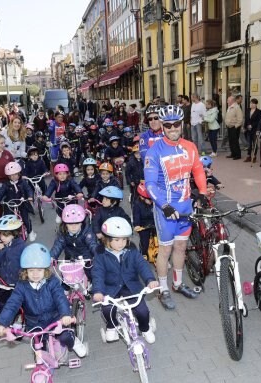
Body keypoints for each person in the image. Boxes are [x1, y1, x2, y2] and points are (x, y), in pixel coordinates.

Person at [144, 105, 207, 310]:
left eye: (176, 124)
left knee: (181, 247)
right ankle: (163, 289)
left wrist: (203, 194)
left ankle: (178, 284)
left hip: (186, 207)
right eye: (168, 125)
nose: (172, 128)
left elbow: (198, 171)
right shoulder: (154, 151)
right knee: (165, 250)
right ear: (162, 126)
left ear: (182, 125)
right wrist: (164, 206)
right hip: (166, 210)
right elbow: (150, 185)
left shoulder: (190, 146)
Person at [0, 244, 87, 358]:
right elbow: (12, 305)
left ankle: (74, 342)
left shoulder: (52, 282)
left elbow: (60, 298)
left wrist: (65, 315)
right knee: (38, 350)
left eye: (39, 270)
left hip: (55, 318)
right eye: (31, 270)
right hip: (34, 324)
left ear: (45, 269)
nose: (35, 274)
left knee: (65, 336)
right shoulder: (21, 287)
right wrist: (2, 324)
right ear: (25, 271)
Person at [91, 217, 159, 343]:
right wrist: (98, 291)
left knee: (143, 311)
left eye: (124, 239)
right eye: (116, 240)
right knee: (107, 309)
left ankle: (145, 328)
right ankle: (112, 327)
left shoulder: (131, 250)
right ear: (107, 239)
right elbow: (98, 273)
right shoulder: (100, 254)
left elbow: (142, 265)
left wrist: (150, 280)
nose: (121, 243)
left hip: (131, 287)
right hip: (110, 287)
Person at [0, 215, 26, 327]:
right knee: (3, 301)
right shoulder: (0, 245)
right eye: (1, 234)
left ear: (14, 234)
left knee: (18, 302)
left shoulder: (21, 246)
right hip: (3, 281)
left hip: (17, 281)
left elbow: (25, 262)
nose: (3, 237)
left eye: (6, 235)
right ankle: (0, 317)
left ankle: (19, 319)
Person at [50, 205, 100, 280]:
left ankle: (91, 287)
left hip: (86, 258)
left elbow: (92, 244)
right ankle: (66, 289)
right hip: (70, 258)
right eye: (70, 224)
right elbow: (58, 245)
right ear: (65, 224)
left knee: (92, 275)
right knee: (66, 278)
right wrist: (52, 256)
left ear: (81, 223)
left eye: (77, 223)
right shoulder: (63, 232)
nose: (73, 227)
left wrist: (98, 255)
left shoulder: (87, 232)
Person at [0, 162, 36, 242]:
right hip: (10, 205)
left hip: (22, 203)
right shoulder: (6, 184)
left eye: (15, 174)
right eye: (11, 175)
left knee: (26, 218)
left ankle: (30, 232)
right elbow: (0, 192)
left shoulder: (22, 182)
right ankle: (9, 234)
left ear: (19, 174)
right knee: (9, 220)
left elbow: (28, 189)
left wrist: (30, 197)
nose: (13, 177)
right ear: (8, 176)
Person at [133, 182, 156, 260]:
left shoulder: (154, 202)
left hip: (155, 223)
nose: (151, 201)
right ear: (142, 197)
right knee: (144, 241)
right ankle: (144, 253)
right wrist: (137, 225)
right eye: (149, 199)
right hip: (144, 225)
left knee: (162, 241)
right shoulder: (137, 204)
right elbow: (136, 216)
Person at [224, 95, 244, 160]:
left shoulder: (237, 107)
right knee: (231, 141)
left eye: (228, 100)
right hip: (229, 127)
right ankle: (233, 153)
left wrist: (235, 127)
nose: (227, 102)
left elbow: (240, 119)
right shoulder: (230, 107)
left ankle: (238, 155)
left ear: (232, 101)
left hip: (234, 127)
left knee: (235, 141)